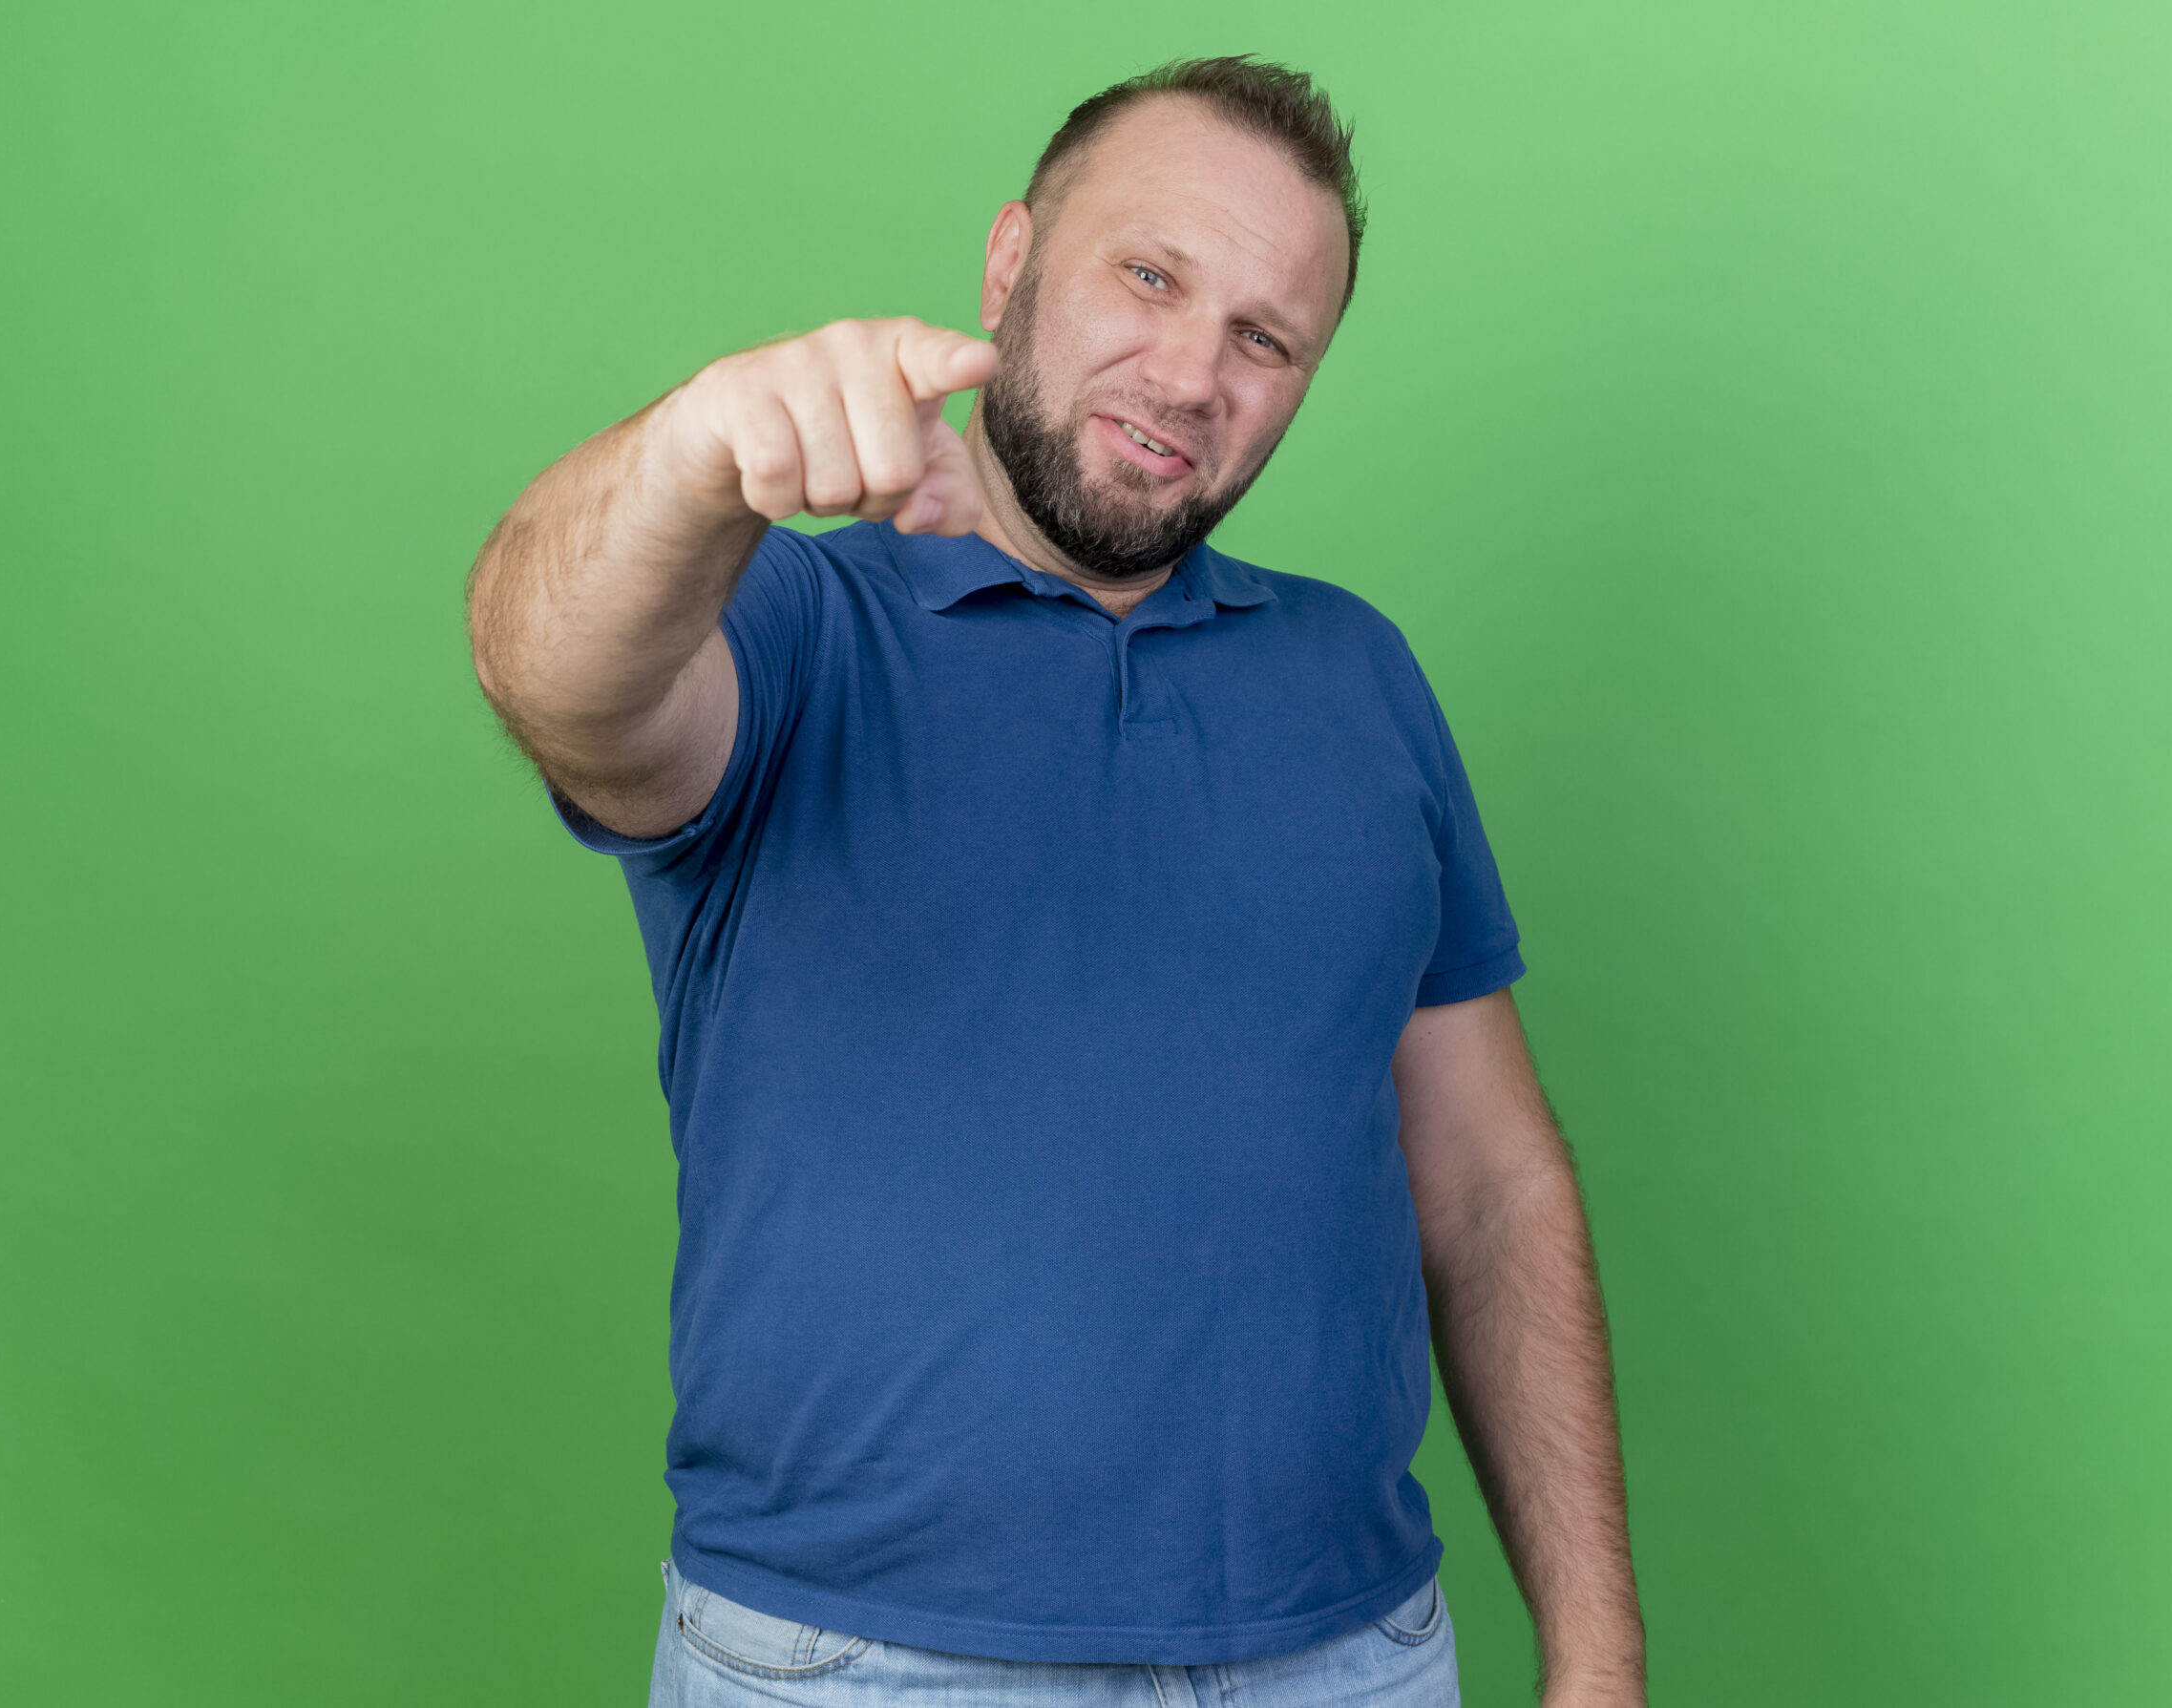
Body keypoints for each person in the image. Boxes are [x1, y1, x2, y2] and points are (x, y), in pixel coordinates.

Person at [466, 55, 1646, 1708]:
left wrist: (1596, 1658)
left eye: (1265, 338)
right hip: (867, 1668)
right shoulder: (796, 631)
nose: (1191, 374)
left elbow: (1491, 1182)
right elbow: (551, 671)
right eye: (1150, 276)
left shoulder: (1361, 676)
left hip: (1353, 1657)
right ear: (1010, 261)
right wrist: (689, 459)